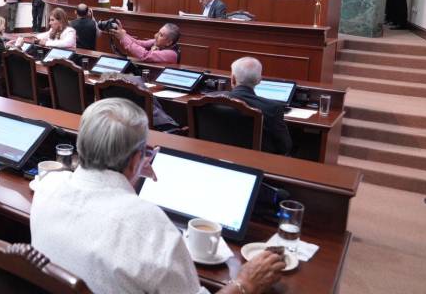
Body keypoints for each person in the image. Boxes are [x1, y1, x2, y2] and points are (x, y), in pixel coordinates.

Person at [31, 98, 284, 294]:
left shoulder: (48, 185)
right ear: (135, 160)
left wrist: (132, 171)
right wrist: (245, 283)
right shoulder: (150, 225)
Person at [227, 57, 293, 155]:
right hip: (256, 161)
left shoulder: (209, 99)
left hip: (216, 157)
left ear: (232, 79)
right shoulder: (273, 108)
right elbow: (285, 147)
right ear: (259, 80)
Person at [109, 20, 180, 63]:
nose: (155, 36)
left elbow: (146, 55)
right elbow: (139, 43)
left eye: (161, 35)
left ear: (169, 42)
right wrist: (122, 33)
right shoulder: (159, 42)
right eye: (158, 32)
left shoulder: (172, 54)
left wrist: (123, 37)